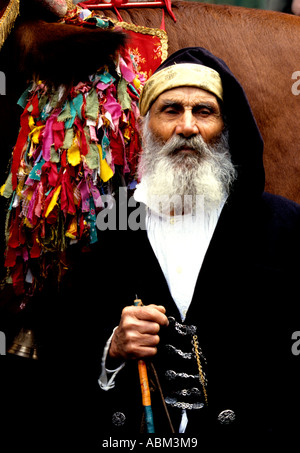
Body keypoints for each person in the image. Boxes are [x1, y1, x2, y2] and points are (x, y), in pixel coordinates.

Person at [94, 46, 300, 437]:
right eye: (170, 110)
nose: (186, 126)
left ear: (225, 126)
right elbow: (68, 336)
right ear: (146, 125)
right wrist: (114, 347)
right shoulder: (110, 223)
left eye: (204, 112)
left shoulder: (284, 225)